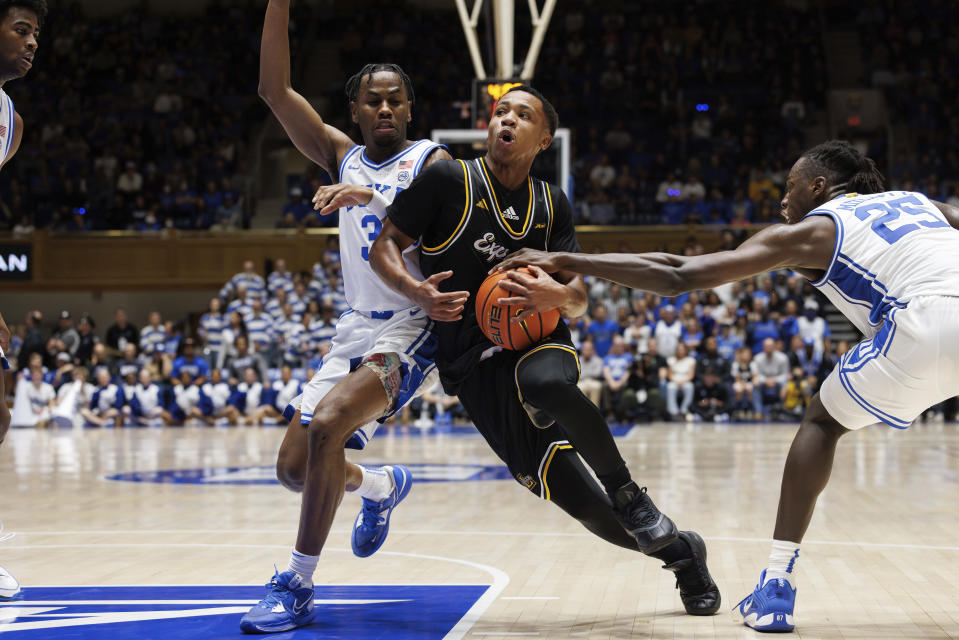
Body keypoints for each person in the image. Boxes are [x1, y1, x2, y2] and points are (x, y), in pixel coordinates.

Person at [493, 139, 959, 632]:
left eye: (791, 186)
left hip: (921, 319)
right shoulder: (922, 203)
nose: (784, 200)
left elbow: (680, 274)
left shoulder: (813, 230)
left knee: (822, 423)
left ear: (820, 187)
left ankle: (777, 584)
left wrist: (570, 261)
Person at [371, 84, 719, 619]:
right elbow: (385, 244)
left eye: (522, 114)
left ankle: (631, 493)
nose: (506, 120)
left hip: (538, 339)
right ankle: (681, 553)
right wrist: (416, 290)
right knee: (587, 509)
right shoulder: (447, 180)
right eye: (500, 111)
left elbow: (576, 298)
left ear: (544, 139)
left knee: (544, 384)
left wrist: (558, 294)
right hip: (473, 366)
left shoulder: (551, 203)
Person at [240, 1, 452, 633]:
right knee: (295, 468)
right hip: (353, 325)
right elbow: (272, 90)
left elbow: (444, 237)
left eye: (394, 100)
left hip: (412, 323)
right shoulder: (341, 155)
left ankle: (296, 584)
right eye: (371, 101)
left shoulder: (434, 164)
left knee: (330, 422)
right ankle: (381, 485)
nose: (384, 109)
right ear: (355, 111)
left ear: (409, 109)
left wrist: (375, 194)